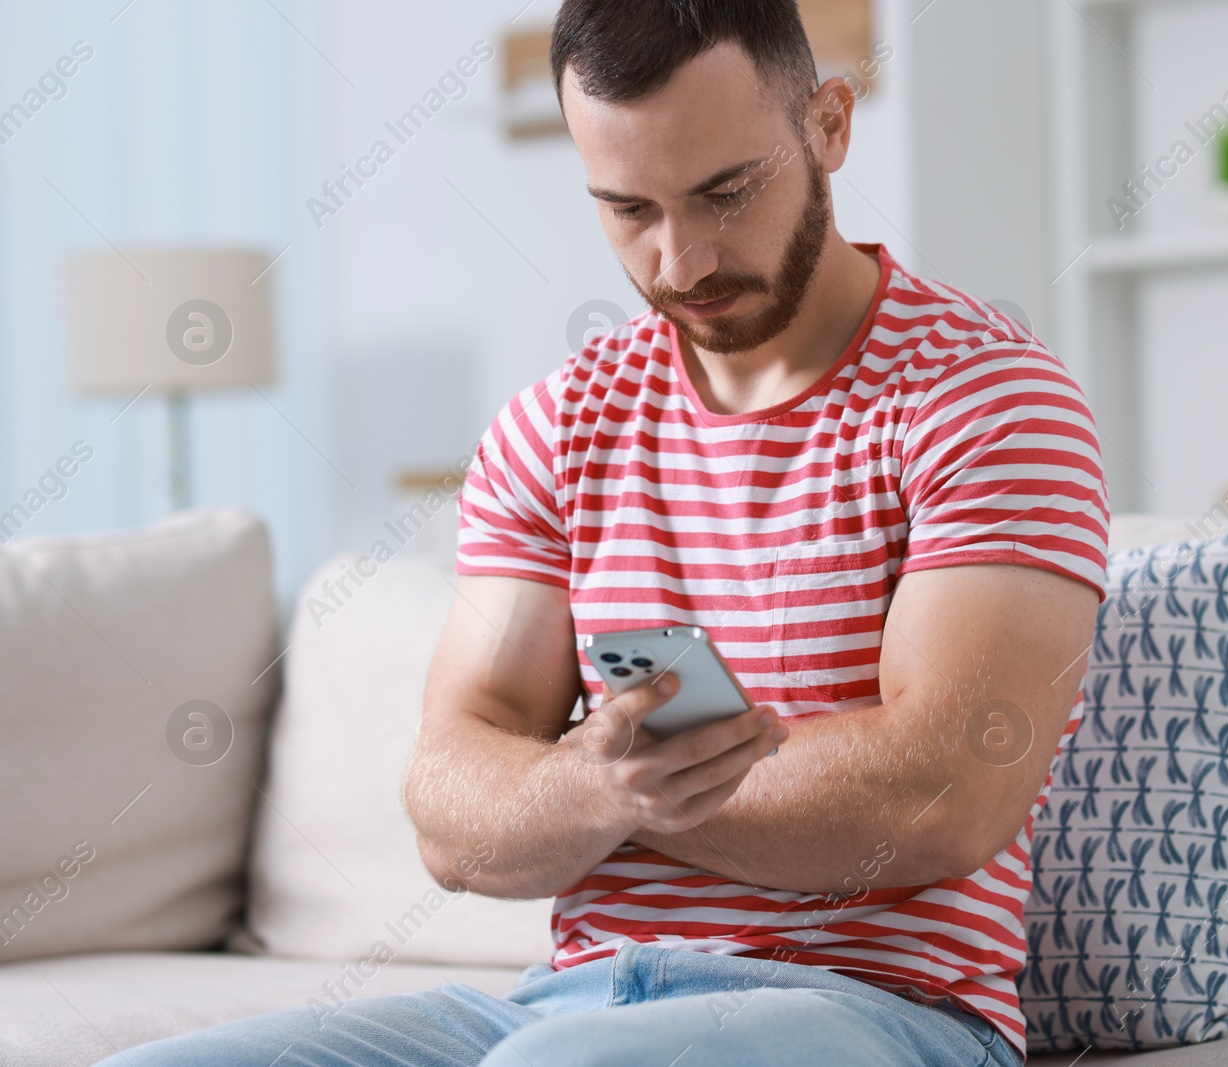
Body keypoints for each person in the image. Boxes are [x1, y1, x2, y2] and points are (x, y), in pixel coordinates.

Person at [104, 1, 1107, 1063]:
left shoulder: (988, 400)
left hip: (876, 1007)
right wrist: (595, 779)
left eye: (728, 192)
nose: (680, 263)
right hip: (568, 1001)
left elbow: (940, 792)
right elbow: (449, 810)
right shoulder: (557, 425)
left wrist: (606, 793)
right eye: (629, 208)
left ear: (828, 125)